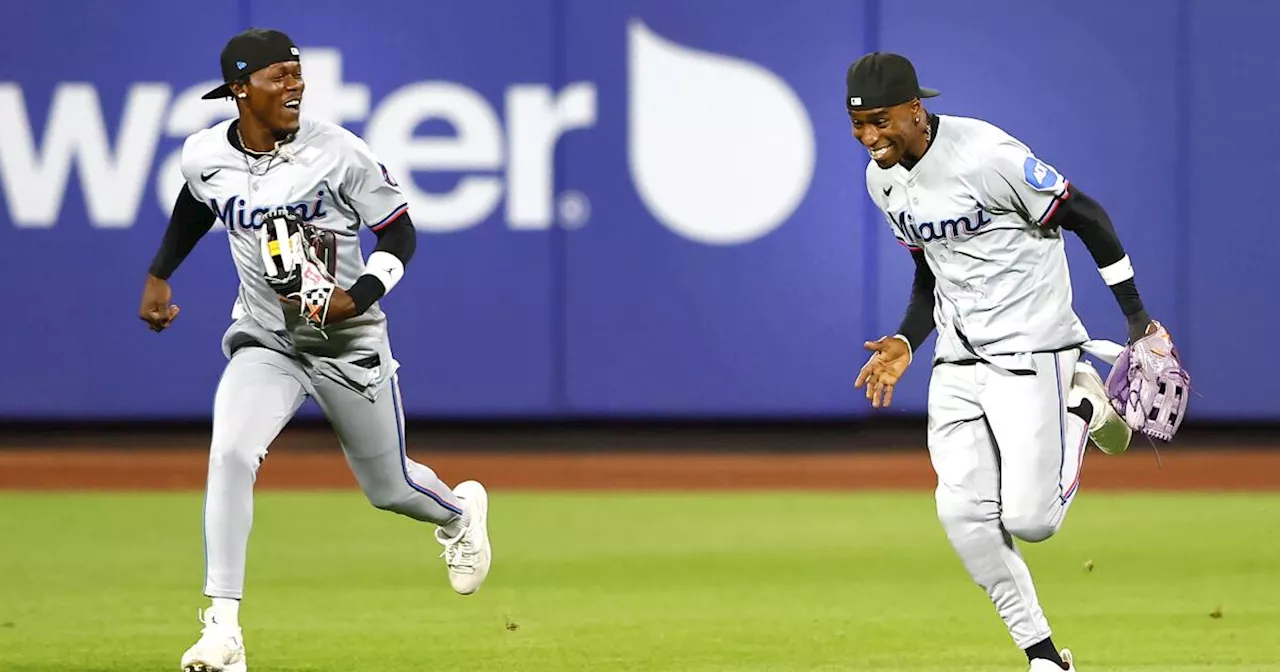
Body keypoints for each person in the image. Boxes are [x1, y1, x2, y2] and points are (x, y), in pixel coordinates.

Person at [138, 28, 492, 672]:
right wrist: (162, 272)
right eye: (277, 76)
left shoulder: (339, 152)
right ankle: (223, 629)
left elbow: (400, 233)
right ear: (240, 90)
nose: (294, 84)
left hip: (347, 340)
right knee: (231, 452)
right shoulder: (203, 154)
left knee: (390, 489)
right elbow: (196, 203)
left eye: (296, 72)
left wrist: (358, 296)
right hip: (266, 337)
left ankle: (459, 512)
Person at [848, 52, 1157, 671]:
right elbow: (928, 271)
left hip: (1031, 347)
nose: (869, 136)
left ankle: (1084, 402)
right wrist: (908, 341)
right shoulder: (881, 180)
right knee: (961, 515)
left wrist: (1137, 320)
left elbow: (1086, 216)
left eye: (880, 121)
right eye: (857, 124)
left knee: (1031, 520)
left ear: (915, 108)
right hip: (959, 360)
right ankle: (1044, 656)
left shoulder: (986, 155)